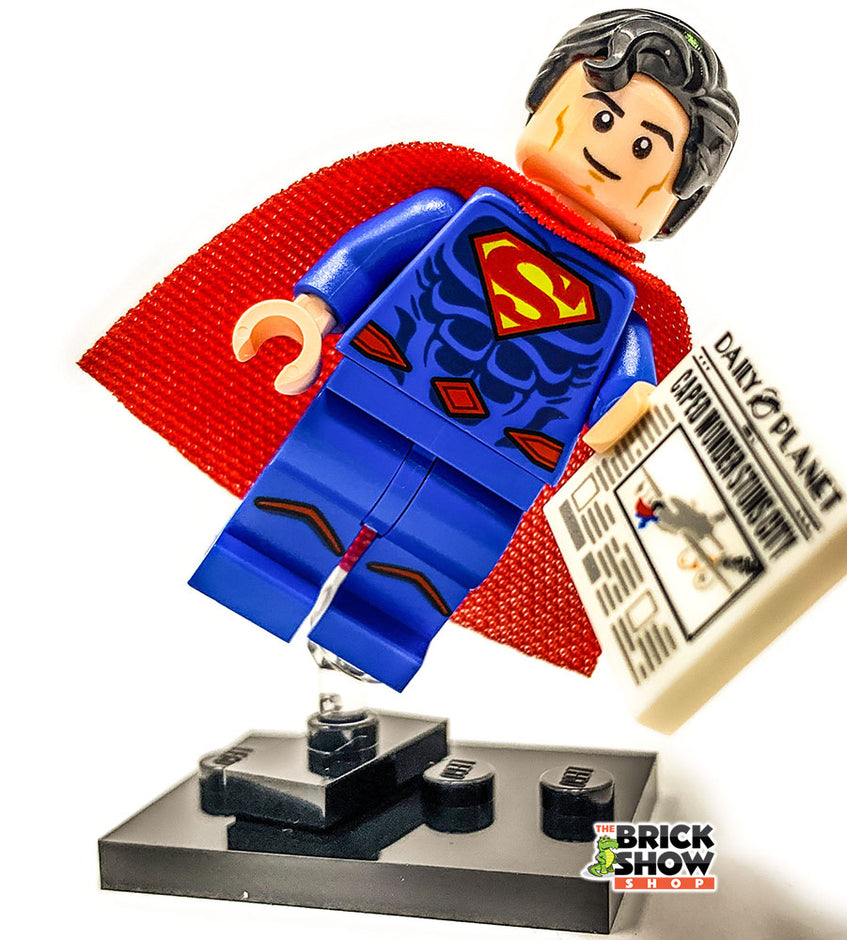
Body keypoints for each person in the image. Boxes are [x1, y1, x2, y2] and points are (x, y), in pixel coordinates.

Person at [186, 10, 739, 690]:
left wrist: (630, 417)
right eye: (602, 117)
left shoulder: (624, 320)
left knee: (426, 567)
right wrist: (309, 312)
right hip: (373, 398)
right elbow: (365, 260)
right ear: (544, 102)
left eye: (646, 148)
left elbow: (626, 399)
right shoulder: (451, 216)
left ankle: (370, 645)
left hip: (496, 470)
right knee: (299, 506)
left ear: (674, 205)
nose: (613, 149)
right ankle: (253, 585)